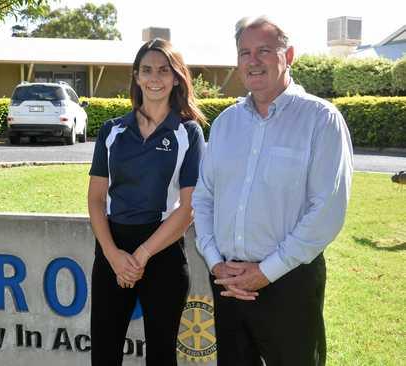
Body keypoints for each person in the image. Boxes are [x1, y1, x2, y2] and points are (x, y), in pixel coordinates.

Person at [192, 16, 353, 366]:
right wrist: (216, 262)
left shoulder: (320, 120)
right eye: (244, 52)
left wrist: (265, 272)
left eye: (264, 50)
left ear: (289, 55)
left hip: (289, 282)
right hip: (228, 282)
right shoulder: (225, 124)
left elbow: (327, 210)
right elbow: (204, 198)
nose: (253, 60)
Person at [87, 38, 207, 365]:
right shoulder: (112, 131)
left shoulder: (188, 132)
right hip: (113, 250)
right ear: (137, 77)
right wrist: (114, 256)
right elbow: (96, 199)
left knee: (161, 356)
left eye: (163, 71)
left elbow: (189, 208)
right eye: (147, 70)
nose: (155, 78)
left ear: (176, 77)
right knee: (104, 353)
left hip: (163, 250)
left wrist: (140, 256)